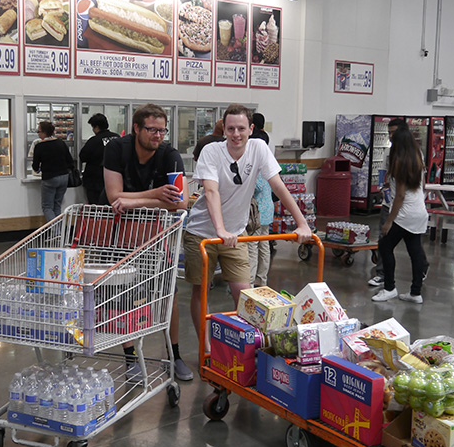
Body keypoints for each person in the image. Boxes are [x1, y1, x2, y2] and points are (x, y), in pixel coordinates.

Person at [184, 104, 312, 340]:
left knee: (245, 294)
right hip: (202, 234)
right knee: (201, 291)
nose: (236, 134)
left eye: (241, 128)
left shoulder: (259, 148)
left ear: (251, 129)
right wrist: (220, 229)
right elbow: (211, 192)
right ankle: (206, 348)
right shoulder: (211, 152)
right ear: (224, 130)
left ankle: (245, 345)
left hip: (236, 234)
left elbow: (277, 185)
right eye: (230, 128)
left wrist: (302, 223)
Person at [103, 104, 191, 381]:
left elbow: (182, 202)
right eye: (152, 129)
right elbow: (113, 195)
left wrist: (134, 201)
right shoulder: (117, 149)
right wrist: (156, 194)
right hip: (122, 237)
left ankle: (174, 354)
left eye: (162, 130)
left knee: (169, 295)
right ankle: (131, 359)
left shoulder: (170, 156)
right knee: (123, 297)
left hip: (157, 237)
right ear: (137, 129)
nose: (158, 135)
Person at [371, 127, 430, 303]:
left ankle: (389, 288)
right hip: (420, 211)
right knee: (415, 251)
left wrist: (389, 221)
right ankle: (415, 292)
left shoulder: (399, 162)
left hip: (405, 214)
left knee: (385, 246)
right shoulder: (417, 160)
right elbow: (423, 187)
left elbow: (400, 196)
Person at [369, 118, 409, 287]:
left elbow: (403, 191)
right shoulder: (388, 153)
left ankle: (421, 269)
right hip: (389, 202)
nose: (391, 136)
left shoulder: (411, 155)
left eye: (394, 132)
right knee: (383, 240)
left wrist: (391, 219)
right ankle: (382, 274)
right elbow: (386, 176)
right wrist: (383, 185)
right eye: (389, 133)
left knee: (411, 242)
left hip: (406, 207)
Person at [32, 121, 73, 222]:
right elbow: (70, 161)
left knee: (47, 207)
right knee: (57, 206)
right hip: (64, 177)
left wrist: (38, 170)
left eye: (39, 131)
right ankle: (60, 234)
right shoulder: (61, 143)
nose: (38, 133)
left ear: (44, 132)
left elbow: (35, 166)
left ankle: (56, 233)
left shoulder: (39, 146)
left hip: (50, 178)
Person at [79, 113, 118, 205]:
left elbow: (83, 157)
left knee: (95, 208)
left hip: (95, 181)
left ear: (96, 127)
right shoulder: (117, 138)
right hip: (114, 180)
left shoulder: (94, 141)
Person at [248, 174, 273, 286]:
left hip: (257, 212)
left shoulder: (256, 171)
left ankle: (250, 280)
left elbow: (256, 187)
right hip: (267, 210)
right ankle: (262, 279)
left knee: (252, 245)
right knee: (264, 246)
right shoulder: (268, 170)